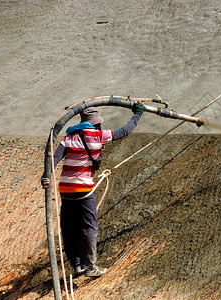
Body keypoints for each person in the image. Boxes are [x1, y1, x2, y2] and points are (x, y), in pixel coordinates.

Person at [41, 102, 145, 277]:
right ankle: (89, 267)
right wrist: (137, 114)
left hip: (65, 189)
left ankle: (76, 264)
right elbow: (125, 130)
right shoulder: (98, 135)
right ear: (96, 123)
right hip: (84, 189)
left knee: (69, 227)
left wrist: (47, 175)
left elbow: (55, 157)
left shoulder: (69, 137)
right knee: (89, 227)